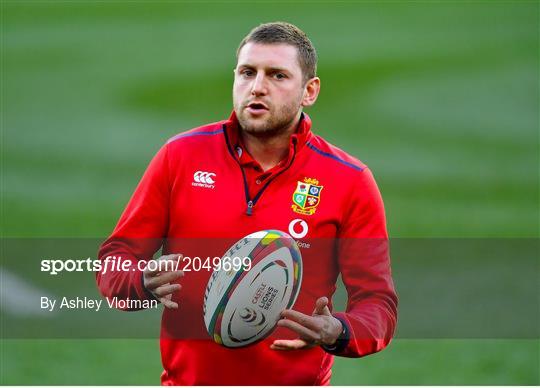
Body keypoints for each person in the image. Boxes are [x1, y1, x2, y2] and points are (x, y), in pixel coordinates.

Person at [97, 22, 397, 385]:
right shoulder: (181, 157)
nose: (257, 87)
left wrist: (339, 330)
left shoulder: (349, 181)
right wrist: (140, 282)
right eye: (247, 72)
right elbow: (116, 258)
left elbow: (378, 303)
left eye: (278, 75)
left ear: (309, 91)